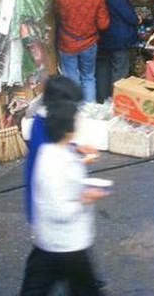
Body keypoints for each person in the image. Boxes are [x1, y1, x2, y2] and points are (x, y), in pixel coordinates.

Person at [19, 102, 108, 295]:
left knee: (37, 285)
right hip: (67, 243)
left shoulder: (52, 151)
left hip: (52, 241)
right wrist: (85, 198)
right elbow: (59, 209)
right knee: (84, 288)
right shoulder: (56, 162)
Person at [24, 75, 84, 225]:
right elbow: (52, 160)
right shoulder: (41, 126)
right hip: (49, 208)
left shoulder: (49, 120)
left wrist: (75, 147)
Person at [55, 0, 110, 104]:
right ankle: (89, 111)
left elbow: (58, 19)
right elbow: (103, 25)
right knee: (88, 77)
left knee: (71, 78)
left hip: (67, 44)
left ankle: (75, 112)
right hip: (89, 43)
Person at [94, 0, 139, 102]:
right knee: (120, 71)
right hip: (118, 36)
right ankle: (116, 103)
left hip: (105, 36)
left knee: (103, 71)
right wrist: (136, 19)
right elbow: (124, 10)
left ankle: (103, 101)